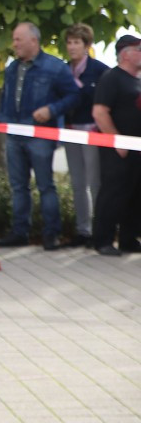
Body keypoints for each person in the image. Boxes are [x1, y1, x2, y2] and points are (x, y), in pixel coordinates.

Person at [0, 22, 79, 251]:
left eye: (18, 39)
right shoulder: (12, 68)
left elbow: (73, 96)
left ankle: (51, 235)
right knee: (18, 186)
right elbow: (5, 98)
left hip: (41, 135)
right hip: (14, 134)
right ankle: (19, 232)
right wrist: (4, 121)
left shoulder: (55, 67)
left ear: (34, 41)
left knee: (45, 186)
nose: (14, 44)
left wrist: (51, 110)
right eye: (14, 39)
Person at [91, 34, 141, 257]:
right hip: (117, 149)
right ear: (126, 54)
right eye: (139, 50)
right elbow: (100, 111)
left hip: (136, 149)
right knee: (113, 193)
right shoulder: (111, 77)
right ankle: (102, 240)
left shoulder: (136, 80)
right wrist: (116, 139)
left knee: (134, 194)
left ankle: (128, 239)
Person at [62, 23, 110, 248]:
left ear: (87, 45)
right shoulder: (63, 69)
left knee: (95, 182)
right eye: (69, 42)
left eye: (76, 43)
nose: (72, 47)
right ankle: (83, 231)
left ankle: (100, 231)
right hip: (70, 129)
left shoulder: (100, 70)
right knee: (77, 182)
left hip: (92, 131)